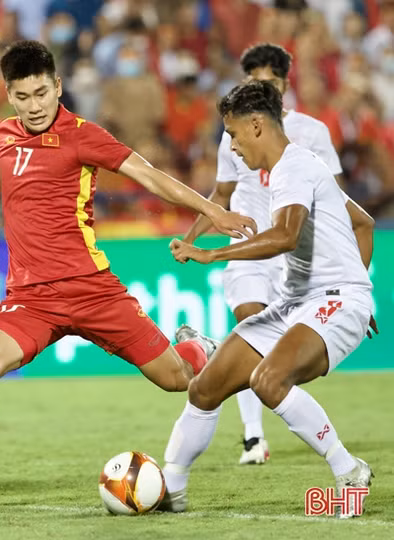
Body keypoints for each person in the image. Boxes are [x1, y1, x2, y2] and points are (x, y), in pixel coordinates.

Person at [0, 40, 256, 500]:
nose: (34, 106)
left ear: (58, 86)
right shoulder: (4, 134)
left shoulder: (84, 135)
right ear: (9, 95)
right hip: (32, 298)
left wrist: (213, 212)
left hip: (92, 290)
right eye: (23, 97)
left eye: (42, 94)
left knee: (177, 381)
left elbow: (148, 175)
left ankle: (195, 350)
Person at [160, 80, 376, 518]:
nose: (234, 147)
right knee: (205, 388)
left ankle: (349, 468)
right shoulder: (295, 168)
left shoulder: (294, 167)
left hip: (332, 300)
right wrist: (358, 279)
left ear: (257, 125)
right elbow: (363, 221)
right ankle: (171, 489)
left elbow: (284, 236)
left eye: (234, 135)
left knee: (268, 381)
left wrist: (211, 253)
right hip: (297, 303)